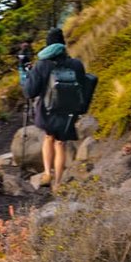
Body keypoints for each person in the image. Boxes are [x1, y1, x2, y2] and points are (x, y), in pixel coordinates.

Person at [21, 27, 87, 188]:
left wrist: (27, 74)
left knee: (48, 137)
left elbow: (30, 92)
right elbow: (83, 87)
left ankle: (47, 173)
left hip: (47, 111)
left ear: (48, 45)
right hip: (68, 112)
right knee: (60, 143)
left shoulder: (41, 65)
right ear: (63, 45)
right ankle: (58, 181)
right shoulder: (76, 64)